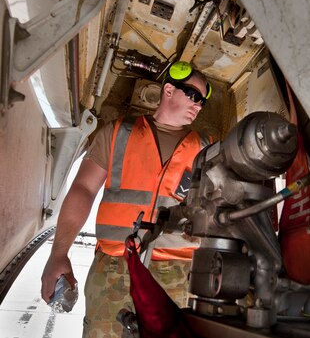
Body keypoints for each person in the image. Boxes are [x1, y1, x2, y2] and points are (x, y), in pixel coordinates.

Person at [41, 61, 212, 338]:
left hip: (179, 272)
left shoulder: (207, 148)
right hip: (114, 266)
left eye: (203, 101)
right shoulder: (118, 133)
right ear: (169, 90)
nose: (199, 105)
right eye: (193, 95)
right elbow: (83, 189)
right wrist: (59, 253)